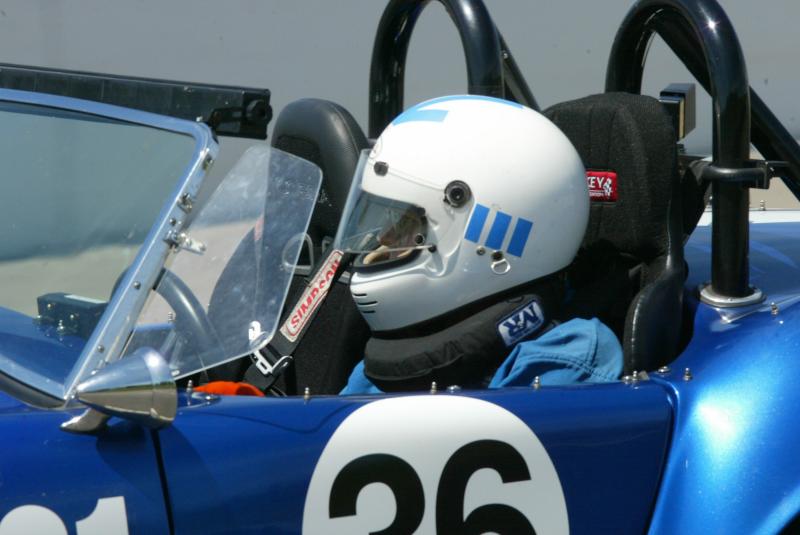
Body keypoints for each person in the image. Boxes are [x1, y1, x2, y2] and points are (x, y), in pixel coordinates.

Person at [334, 95, 622, 394]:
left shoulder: (564, 358)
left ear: (488, 238)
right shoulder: (394, 359)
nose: (383, 241)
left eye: (406, 225)